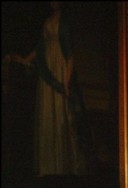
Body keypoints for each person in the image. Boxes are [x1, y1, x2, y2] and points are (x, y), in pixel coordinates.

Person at [9, 1, 88, 176]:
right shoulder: (47, 20)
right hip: (48, 68)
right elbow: (40, 47)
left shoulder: (65, 22)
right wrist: (24, 60)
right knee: (47, 113)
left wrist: (65, 84)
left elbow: (70, 57)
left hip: (59, 68)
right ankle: (49, 166)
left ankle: (65, 165)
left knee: (60, 113)